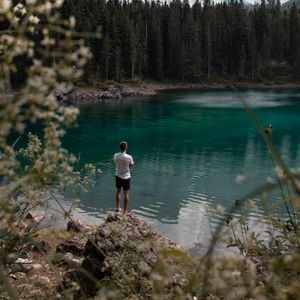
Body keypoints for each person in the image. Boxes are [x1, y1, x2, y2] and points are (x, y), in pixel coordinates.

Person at [113, 141, 134, 213]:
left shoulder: (115, 155)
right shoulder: (129, 157)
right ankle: (125, 210)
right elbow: (131, 165)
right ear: (126, 148)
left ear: (120, 147)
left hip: (118, 175)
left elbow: (115, 162)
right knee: (126, 194)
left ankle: (117, 208)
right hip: (126, 177)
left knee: (118, 191)